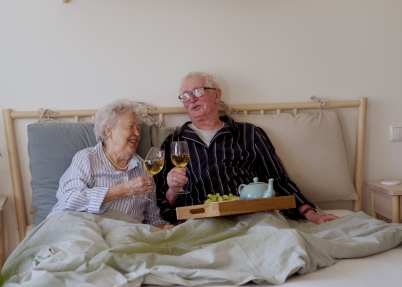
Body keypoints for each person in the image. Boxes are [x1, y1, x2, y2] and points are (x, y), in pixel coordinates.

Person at [155, 72, 340, 225]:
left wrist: (311, 213)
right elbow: (162, 205)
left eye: (197, 91)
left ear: (217, 95)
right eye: (185, 96)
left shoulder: (249, 134)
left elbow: (277, 180)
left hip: (252, 218)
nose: (191, 99)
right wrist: (173, 190)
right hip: (200, 222)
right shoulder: (173, 143)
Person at [48, 99, 174, 230]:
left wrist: (163, 229)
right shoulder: (87, 158)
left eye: (138, 128)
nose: (137, 134)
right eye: (130, 126)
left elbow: (152, 219)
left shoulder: (144, 167)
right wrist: (124, 189)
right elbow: (68, 200)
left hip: (125, 237)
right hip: (82, 230)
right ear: (108, 130)